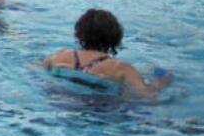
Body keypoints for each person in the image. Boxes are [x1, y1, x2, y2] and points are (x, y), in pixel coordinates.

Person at [42, 8, 172, 98]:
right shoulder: (121, 68)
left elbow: (34, 69)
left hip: (61, 101)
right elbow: (147, 96)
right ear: (115, 37)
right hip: (101, 111)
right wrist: (160, 83)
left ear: (80, 34)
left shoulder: (60, 55)